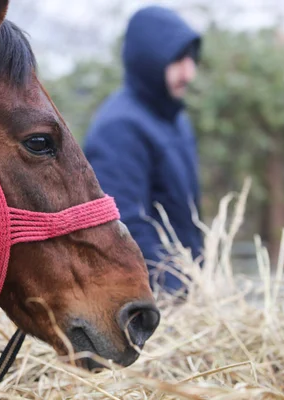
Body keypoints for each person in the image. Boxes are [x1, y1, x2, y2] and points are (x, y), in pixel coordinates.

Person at [83, 6, 204, 295]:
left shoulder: (174, 119)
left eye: (191, 59)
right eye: (177, 59)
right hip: (152, 299)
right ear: (149, 59)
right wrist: (172, 294)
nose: (189, 73)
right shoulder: (120, 127)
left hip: (186, 288)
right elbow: (126, 228)